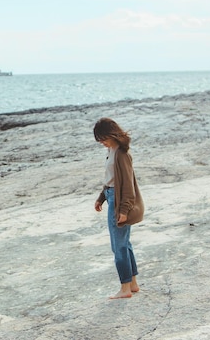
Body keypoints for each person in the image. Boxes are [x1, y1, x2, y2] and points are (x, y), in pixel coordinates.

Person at [93, 118, 144, 299]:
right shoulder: (111, 150)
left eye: (102, 138)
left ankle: (125, 288)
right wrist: (101, 198)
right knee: (125, 243)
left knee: (119, 246)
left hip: (119, 201)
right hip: (111, 196)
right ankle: (133, 284)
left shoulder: (122, 154)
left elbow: (128, 186)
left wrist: (123, 211)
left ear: (111, 134)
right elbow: (111, 179)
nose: (101, 142)